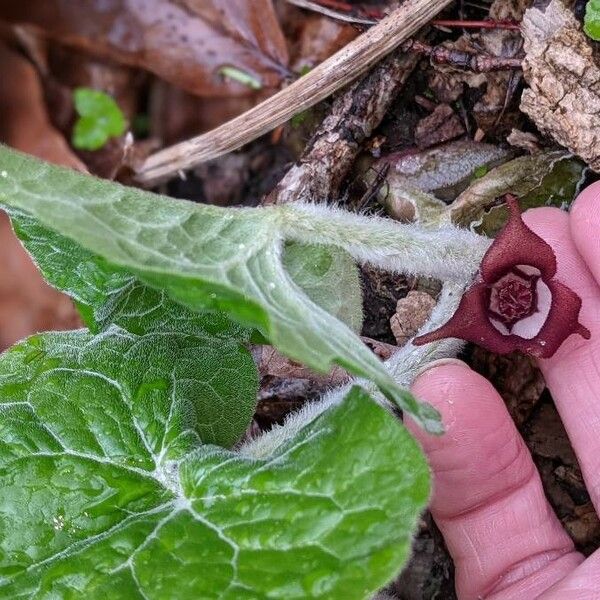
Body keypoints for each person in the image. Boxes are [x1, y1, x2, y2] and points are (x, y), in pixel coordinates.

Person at [406, 183, 600, 599]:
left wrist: (515, 215)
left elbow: (567, 324)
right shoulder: (498, 303)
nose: (514, 298)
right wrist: (513, 214)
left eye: (518, 294)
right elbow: (462, 322)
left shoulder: (536, 313)